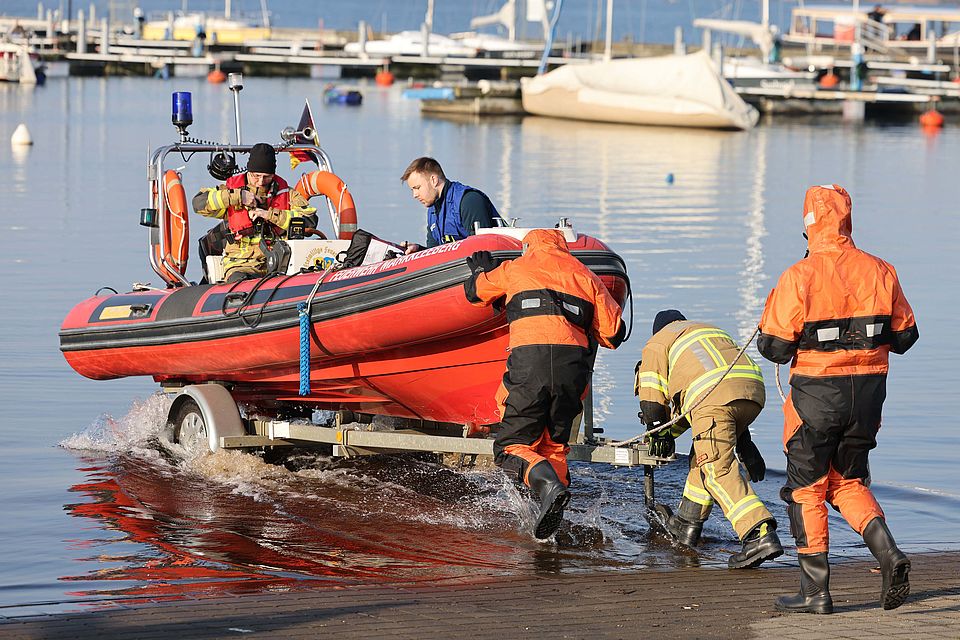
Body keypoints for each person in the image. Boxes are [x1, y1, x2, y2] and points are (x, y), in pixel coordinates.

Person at [758, 184, 918, 614]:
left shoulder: (798, 275)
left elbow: (773, 348)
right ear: (848, 220)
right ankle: (889, 554)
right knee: (847, 482)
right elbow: (905, 337)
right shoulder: (882, 270)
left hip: (816, 396)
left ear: (807, 224)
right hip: (867, 396)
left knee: (806, 490)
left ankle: (816, 594)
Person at [464, 229, 626, 539]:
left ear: (528, 247)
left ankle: (549, 488)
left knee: (510, 447)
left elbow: (476, 293)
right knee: (554, 446)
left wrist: (480, 270)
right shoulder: (586, 276)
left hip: (531, 363)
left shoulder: (515, 268)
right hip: (572, 370)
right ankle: (553, 515)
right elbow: (613, 334)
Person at [636, 310, 783, 569]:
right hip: (752, 392)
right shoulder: (705, 331)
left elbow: (652, 395)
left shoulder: (659, 340)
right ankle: (686, 525)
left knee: (716, 467)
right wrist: (744, 442)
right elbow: (707, 403)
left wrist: (657, 428)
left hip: (715, 398)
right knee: (703, 457)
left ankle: (758, 534)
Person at [193, 143, 316, 282]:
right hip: (242, 265)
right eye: (256, 176)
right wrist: (238, 197)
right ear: (248, 172)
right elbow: (199, 203)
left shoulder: (288, 194)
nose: (261, 182)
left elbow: (310, 220)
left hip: (281, 263)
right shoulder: (231, 190)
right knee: (240, 285)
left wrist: (269, 215)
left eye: (267, 177)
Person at [400, 157, 503, 254]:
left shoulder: (469, 201)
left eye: (417, 188)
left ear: (433, 180)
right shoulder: (432, 211)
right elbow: (434, 253)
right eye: (412, 190)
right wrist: (419, 250)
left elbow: (484, 252)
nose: (414, 195)